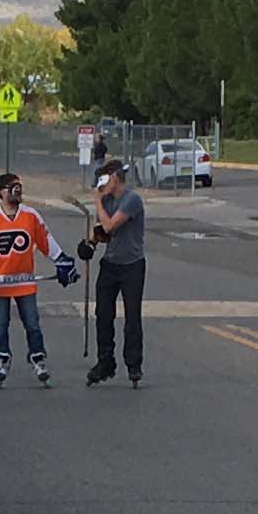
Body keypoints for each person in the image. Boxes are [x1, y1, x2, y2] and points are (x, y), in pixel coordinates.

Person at [0, 172, 55, 387]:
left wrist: (63, 261)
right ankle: (2, 360)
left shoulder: (30, 216)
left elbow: (46, 240)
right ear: (1, 192)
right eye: (12, 186)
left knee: (32, 324)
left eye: (19, 185)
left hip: (25, 284)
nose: (18, 190)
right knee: (0, 326)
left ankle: (38, 359)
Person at [80, 157, 148, 388]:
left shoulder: (132, 200)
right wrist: (89, 244)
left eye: (104, 179)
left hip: (132, 265)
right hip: (110, 264)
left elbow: (111, 225)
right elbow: (101, 231)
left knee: (132, 316)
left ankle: (133, 364)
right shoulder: (107, 201)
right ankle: (105, 362)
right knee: (103, 314)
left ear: (115, 178)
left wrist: (97, 201)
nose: (101, 186)